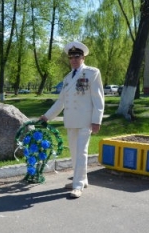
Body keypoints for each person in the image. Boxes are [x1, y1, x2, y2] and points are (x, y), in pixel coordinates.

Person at [40, 41, 104, 198]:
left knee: (82, 152)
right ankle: (82, 179)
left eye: (77, 56)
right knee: (75, 153)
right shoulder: (68, 78)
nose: (74, 59)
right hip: (71, 121)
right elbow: (61, 101)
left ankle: (78, 185)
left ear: (83, 57)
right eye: (71, 57)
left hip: (85, 121)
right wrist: (47, 116)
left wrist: (97, 120)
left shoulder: (92, 73)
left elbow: (98, 98)